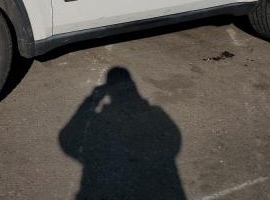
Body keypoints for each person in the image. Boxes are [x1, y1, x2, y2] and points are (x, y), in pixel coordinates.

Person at [59, 66, 186, 200]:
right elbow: (174, 140)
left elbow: (66, 139)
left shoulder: (100, 119)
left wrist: (90, 101)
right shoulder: (156, 113)